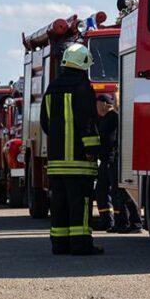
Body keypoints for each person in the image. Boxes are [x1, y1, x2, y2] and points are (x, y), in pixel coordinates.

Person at [40, 43, 104, 255]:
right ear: (83, 63)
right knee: (80, 203)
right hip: (79, 162)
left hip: (57, 162)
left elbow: (45, 123)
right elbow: (87, 121)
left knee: (59, 203)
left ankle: (59, 244)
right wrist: (92, 149)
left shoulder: (52, 88)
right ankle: (81, 245)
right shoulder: (82, 87)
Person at [94, 94, 141, 233]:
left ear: (104, 104)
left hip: (114, 160)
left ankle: (130, 222)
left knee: (120, 193)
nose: (95, 107)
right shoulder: (102, 119)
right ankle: (108, 221)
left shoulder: (113, 117)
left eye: (97, 104)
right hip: (105, 160)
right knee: (101, 191)